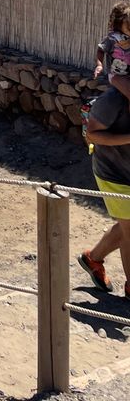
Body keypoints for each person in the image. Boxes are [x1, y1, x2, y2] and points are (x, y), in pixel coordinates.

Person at [78, 84, 130, 298]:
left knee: (126, 225)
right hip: (113, 173)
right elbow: (93, 135)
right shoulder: (112, 101)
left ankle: (93, 258)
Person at [95, 3, 130, 104]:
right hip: (115, 76)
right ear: (120, 25)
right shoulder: (112, 39)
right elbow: (101, 50)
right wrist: (99, 65)